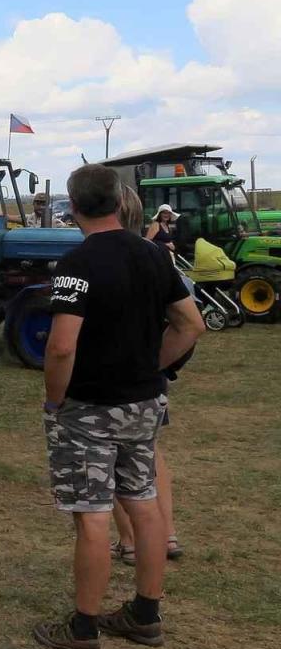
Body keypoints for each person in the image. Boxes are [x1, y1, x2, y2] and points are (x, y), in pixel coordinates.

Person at [34, 164, 204, 649]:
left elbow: (62, 348)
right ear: (118, 200)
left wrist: (53, 401)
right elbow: (190, 324)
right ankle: (145, 615)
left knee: (92, 517)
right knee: (144, 503)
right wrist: (150, 366)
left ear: (74, 204)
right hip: (145, 402)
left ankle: (84, 628)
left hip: (89, 407)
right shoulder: (154, 255)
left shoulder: (76, 263)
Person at [112, 185, 185, 566]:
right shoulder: (159, 258)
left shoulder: (98, 258)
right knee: (150, 454)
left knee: (110, 461)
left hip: (111, 383)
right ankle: (166, 535)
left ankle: (129, 541)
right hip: (148, 382)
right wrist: (160, 364)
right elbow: (187, 322)